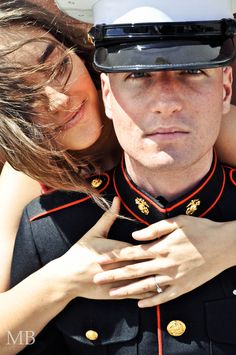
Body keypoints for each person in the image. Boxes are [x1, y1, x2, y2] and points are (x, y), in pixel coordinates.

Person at [10, 0, 236, 353]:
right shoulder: (44, 218)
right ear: (108, 92)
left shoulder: (223, 131)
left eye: (192, 72)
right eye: (138, 75)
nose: (166, 103)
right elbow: (12, 337)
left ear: (225, 89)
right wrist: (60, 281)